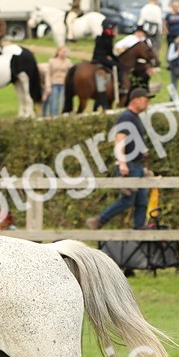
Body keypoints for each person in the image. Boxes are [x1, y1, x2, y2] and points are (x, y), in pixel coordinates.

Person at [87, 87, 152, 231]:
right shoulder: (127, 117)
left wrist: (142, 151)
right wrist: (122, 163)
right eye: (145, 100)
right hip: (129, 166)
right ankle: (99, 220)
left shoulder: (134, 117)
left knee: (142, 201)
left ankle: (140, 232)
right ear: (136, 100)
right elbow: (120, 140)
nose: (147, 103)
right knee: (128, 200)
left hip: (137, 165)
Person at [90, 22, 121, 110]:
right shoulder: (108, 38)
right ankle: (119, 84)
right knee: (118, 66)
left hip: (95, 58)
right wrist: (117, 59)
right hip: (102, 59)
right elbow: (109, 52)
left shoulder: (98, 37)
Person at [41, 46, 71, 117]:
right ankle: (54, 116)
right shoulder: (52, 61)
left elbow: (70, 73)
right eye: (63, 52)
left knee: (64, 100)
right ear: (58, 52)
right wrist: (48, 86)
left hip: (64, 84)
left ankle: (64, 115)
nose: (64, 53)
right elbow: (48, 74)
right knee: (54, 101)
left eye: (65, 52)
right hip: (54, 83)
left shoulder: (68, 61)